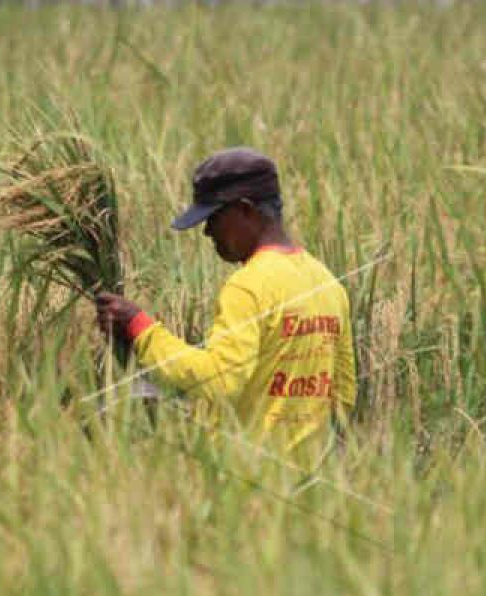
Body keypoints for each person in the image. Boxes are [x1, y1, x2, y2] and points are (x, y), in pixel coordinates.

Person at [95, 147, 355, 463]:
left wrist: (140, 328)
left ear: (245, 210)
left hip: (250, 482)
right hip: (311, 477)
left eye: (214, 218)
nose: (207, 232)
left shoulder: (248, 286)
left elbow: (218, 380)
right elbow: (342, 395)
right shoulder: (326, 282)